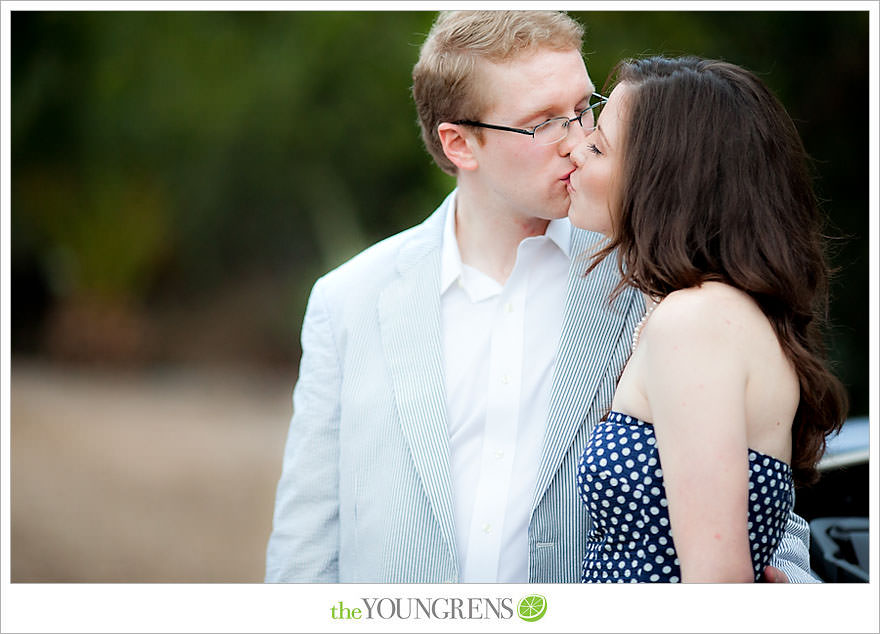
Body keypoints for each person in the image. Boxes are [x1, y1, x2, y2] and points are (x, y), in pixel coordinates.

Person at [266, 11, 814, 583]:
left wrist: (798, 601)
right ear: (460, 144)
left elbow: (759, 501)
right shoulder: (348, 301)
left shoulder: (657, 280)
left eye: (583, 109)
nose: (579, 141)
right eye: (545, 122)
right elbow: (305, 548)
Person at [567, 55, 849, 582]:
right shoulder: (709, 311)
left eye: (599, 145)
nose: (575, 152)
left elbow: (716, 585)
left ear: (663, 176)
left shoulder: (695, 323)